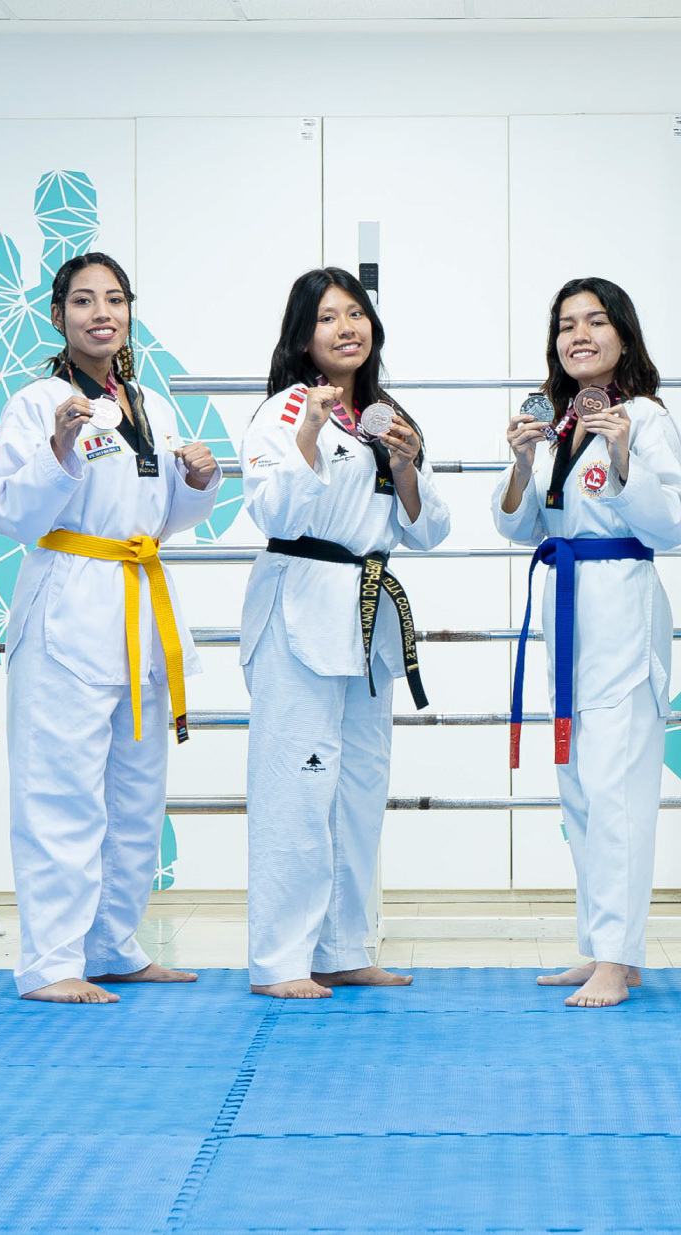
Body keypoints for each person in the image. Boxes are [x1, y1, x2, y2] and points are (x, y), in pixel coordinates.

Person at [0, 252, 221, 1003]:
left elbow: (161, 517)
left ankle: (111, 944)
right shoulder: (37, 402)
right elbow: (10, 513)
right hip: (69, 603)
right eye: (83, 301)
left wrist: (200, 481)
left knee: (135, 794)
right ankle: (52, 961)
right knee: (61, 794)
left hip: (140, 605)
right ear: (58, 316)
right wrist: (59, 447)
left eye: (114, 299)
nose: (101, 313)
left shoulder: (148, 402)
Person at [239, 267, 450, 999]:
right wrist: (307, 433)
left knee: (360, 786)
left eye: (355, 314)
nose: (346, 328)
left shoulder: (387, 415)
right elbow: (272, 515)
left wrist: (406, 463)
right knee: (293, 789)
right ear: (303, 336)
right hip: (299, 604)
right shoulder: (281, 412)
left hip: (366, 616)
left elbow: (429, 529)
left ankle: (344, 944)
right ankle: (278, 958)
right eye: (328, 318)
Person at [494, 277, 681, 1008]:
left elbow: (672, 524)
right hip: (567, 607)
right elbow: (520, 527)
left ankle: (619, 955)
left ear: (624, 335)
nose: (578, 335)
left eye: (595, 322)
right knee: (579, 783)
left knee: (619, 789)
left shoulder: (645, 417)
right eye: (565, 325)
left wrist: (628, 452)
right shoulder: (554, 425)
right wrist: (521, 461)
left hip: (622, 606)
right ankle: (601, 945)